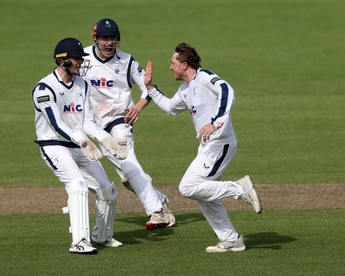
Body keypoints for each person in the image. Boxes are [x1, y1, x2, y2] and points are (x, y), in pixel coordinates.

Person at [144, 42, 262, 252]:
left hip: (221, 142)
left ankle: (239, 189)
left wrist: (215, 121)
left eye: (173, 63)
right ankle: (231, 239)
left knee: (188, 187)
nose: (170, 67)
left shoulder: (204, 77)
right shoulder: (185, 90)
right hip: (207, 146)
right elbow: (169, 108)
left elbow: (227, 90)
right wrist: (150, 88)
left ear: (184, 64)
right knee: (204, 194)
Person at [32, 37, 128, 254]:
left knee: (108, 191)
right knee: (78, 186)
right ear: (62, 60)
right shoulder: (45, 88)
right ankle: (79, 242)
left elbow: (87, 122)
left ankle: (102, 236)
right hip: (53, 145)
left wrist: (106, 140)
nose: (80, 62)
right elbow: (56, 124)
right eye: (76, 58)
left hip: (78, 145)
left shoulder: (83, 85)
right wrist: (83, 141)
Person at [82, 18, 176, 230]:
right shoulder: (83, 58)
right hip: (92, 124)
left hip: (119, 118)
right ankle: (159, 200)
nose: (108, 43)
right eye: (104, 38)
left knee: (128, 162)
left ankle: (157, 211)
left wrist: (138, 107)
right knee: (127, 176)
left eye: (112, 38)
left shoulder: (127, 61)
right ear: (95, 38)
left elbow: (148, 87)